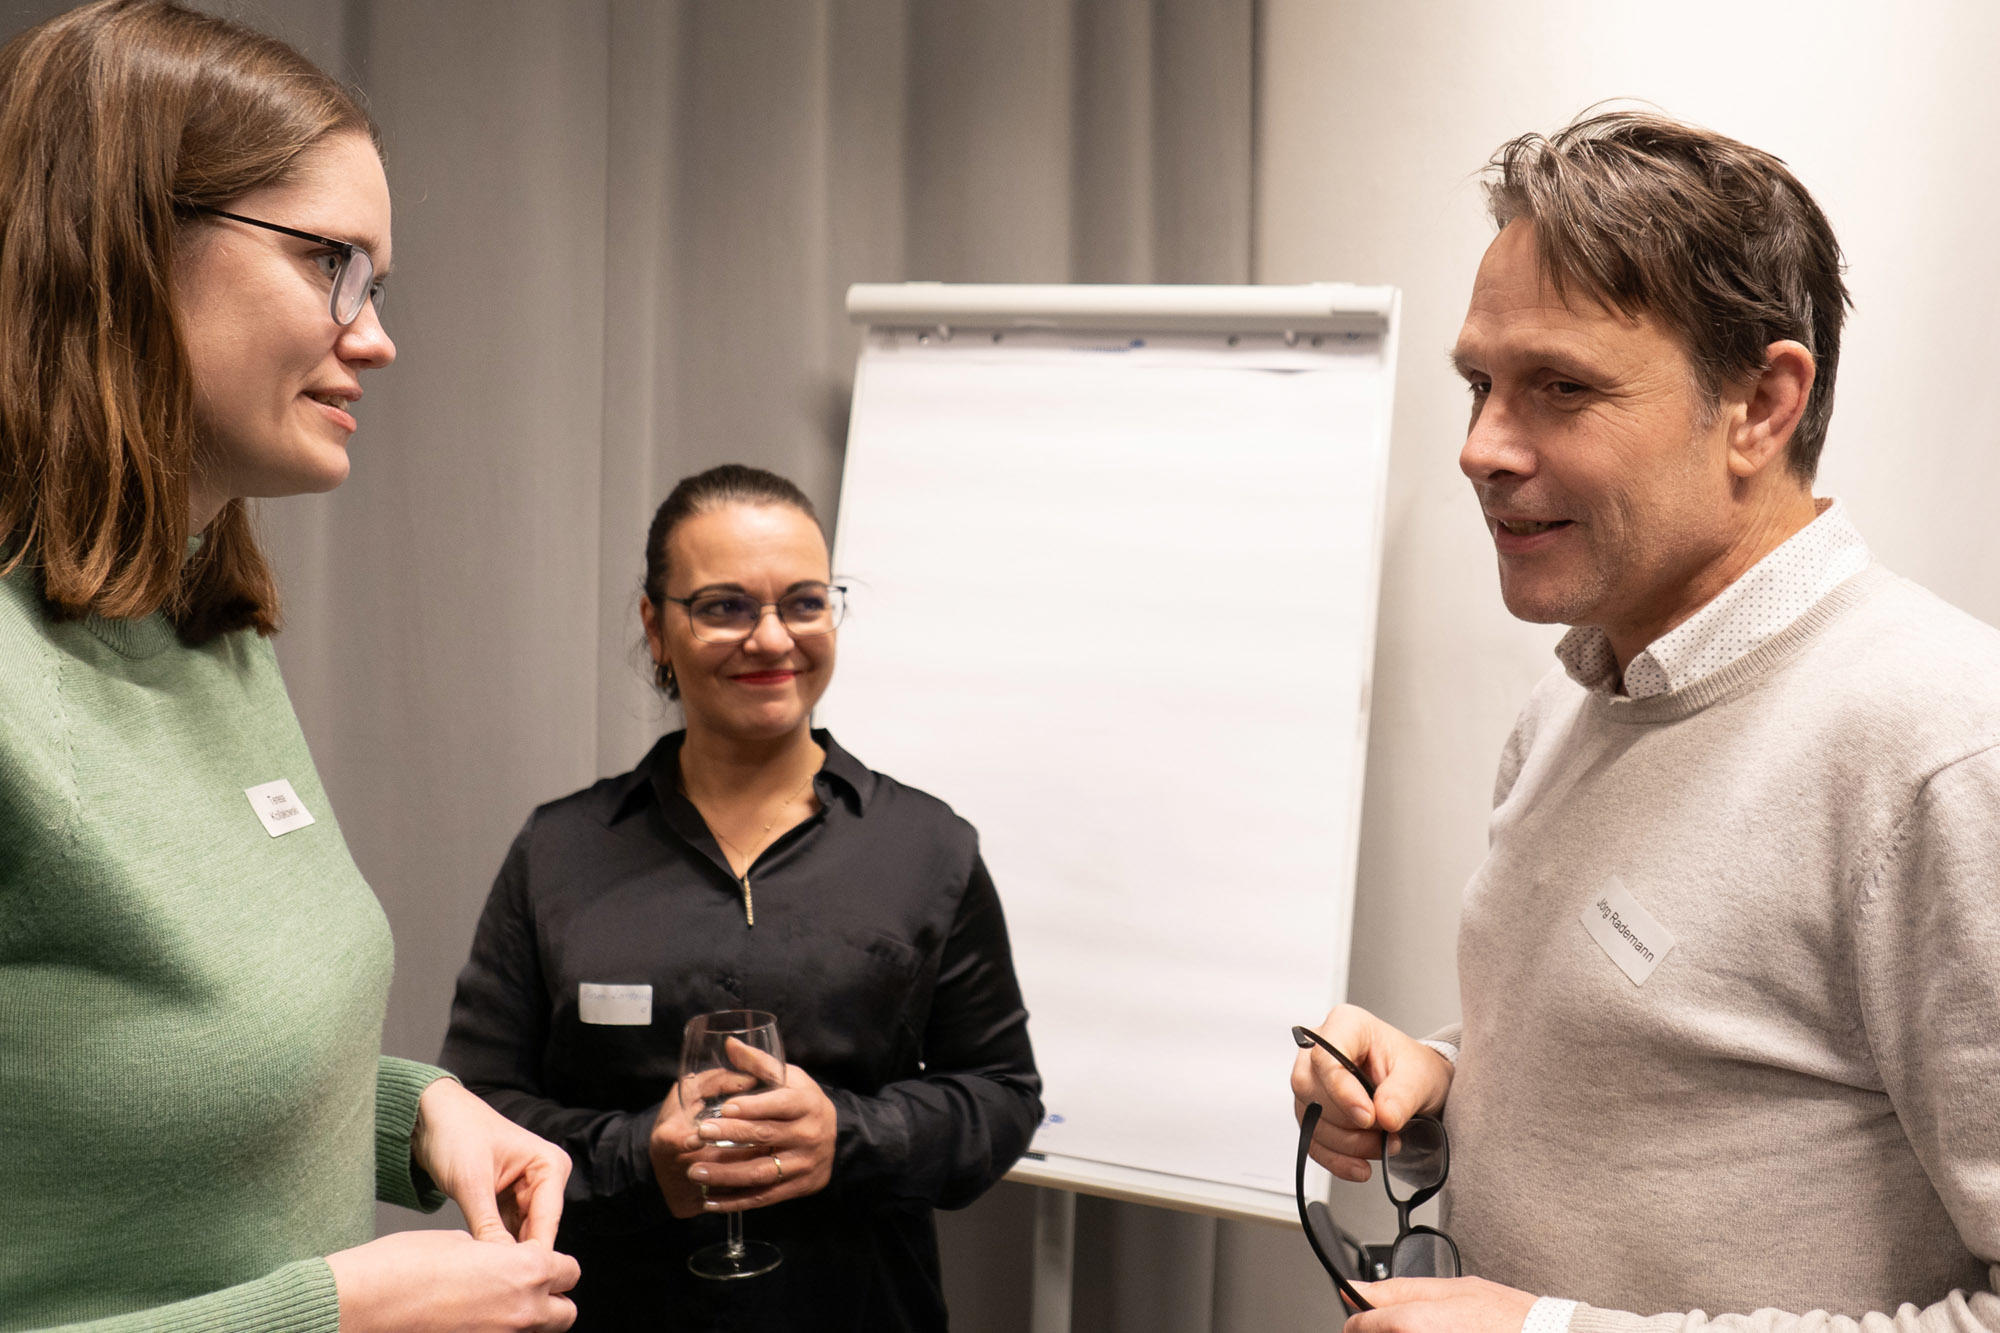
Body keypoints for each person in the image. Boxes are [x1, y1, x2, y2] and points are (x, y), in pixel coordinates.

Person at [1293, 110, 2000, 1332]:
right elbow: (1681, 1093)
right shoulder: (1572, 697)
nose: (1478, 449)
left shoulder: (1938, 751)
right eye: (1477, 384)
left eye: (1558, 389)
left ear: (1761, 405)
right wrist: (1437, 1093)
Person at [0, 3, 580, 1329]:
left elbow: (120, 1089)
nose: (373, 337)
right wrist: (341, 1314)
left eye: (375, 282)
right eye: (331, 263)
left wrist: (410, 1107)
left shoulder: (202, 626)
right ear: (128, 246)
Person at [439, 463, 1044, 1331]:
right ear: (656, 626)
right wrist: (640, 1155)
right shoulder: (562, 851)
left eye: (804, 601)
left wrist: (847, 1133)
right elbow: (478, 1105)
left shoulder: (927, 847)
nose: (772, 638)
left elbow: (1000, 1094)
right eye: (725, 606)